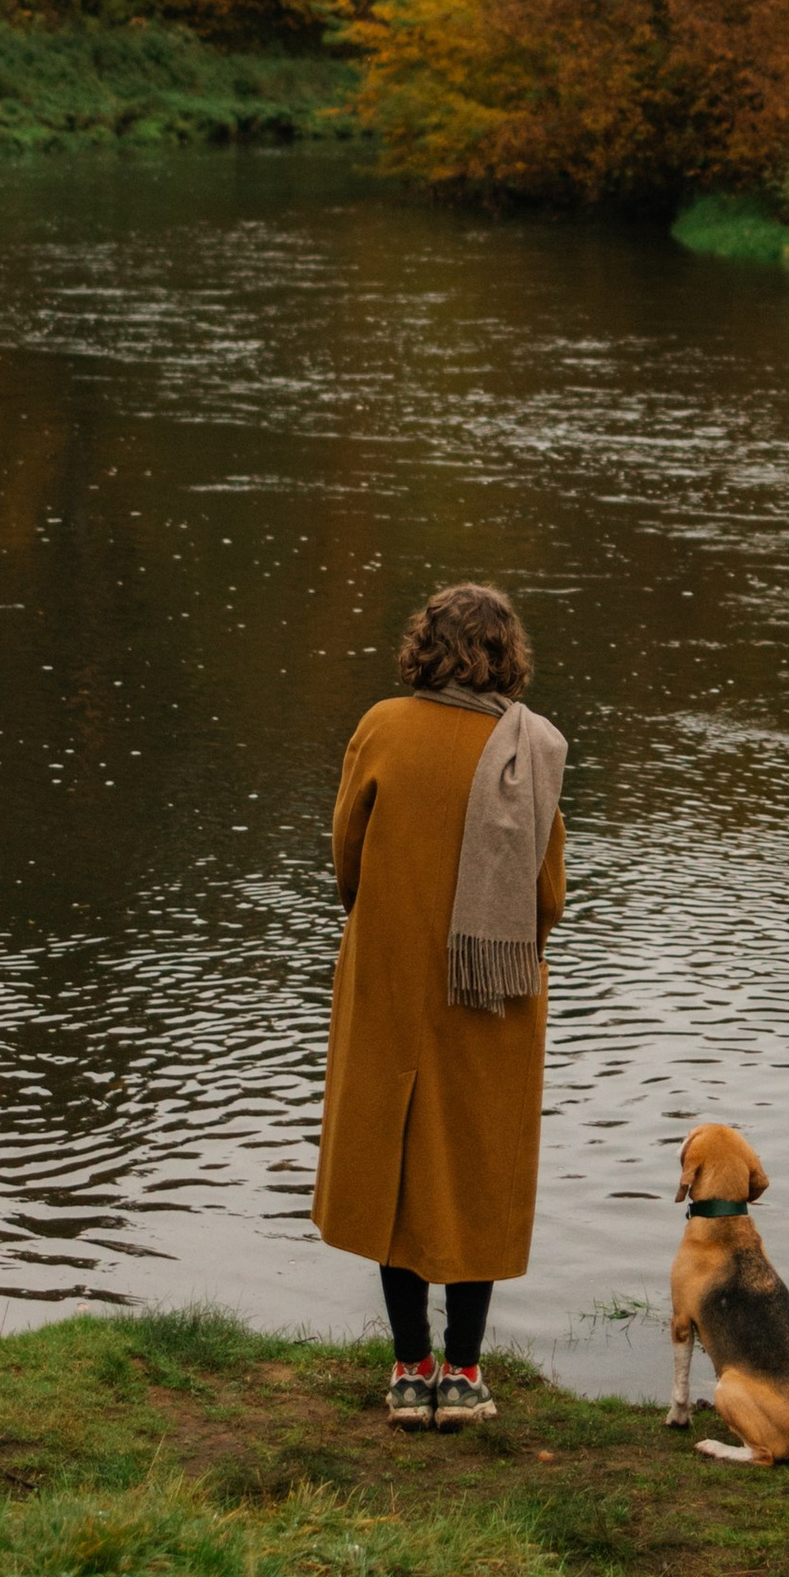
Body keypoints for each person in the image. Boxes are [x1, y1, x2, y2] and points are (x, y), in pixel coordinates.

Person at [312, 581, 567, 1428]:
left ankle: (408, 1365)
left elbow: (347, 858)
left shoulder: (382, 727)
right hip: (494, 997)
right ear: (509, 657)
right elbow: (549, 897)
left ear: (424, 646)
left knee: (396, 1159)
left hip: (391, 978)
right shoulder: (536, 749)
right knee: (475, 1165)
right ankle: (463, 1374)